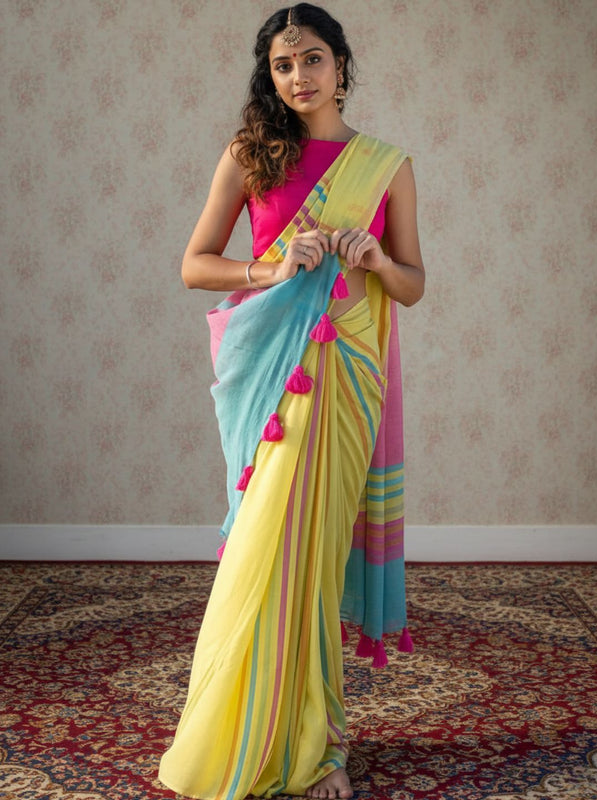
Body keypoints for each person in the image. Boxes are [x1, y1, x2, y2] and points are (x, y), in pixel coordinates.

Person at [159, 4, 425, 799]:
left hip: (348, 380)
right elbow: (195, 264)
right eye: (282, 64)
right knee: (263, 553)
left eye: (312, 58)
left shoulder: (387, 165)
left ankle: (320, 745)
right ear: (269, 76)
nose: (298, 75)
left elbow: (412, 285)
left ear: (341, 66)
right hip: (277, 380)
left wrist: (376, 260)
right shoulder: (251, 155)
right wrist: (270, 271)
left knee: (313, 564)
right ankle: (237, 728)